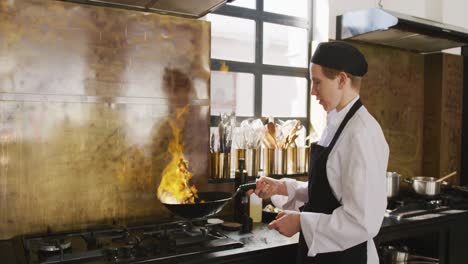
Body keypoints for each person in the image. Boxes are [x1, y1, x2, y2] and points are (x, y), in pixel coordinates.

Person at [250, 41, 389, 264]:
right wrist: (282, 187)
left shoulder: (362, 134)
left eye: (317, 82)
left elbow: (362, 221)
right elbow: (330, 192)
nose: (313, 92)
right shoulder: (336, 122)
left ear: (342, 80)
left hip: (347, 258)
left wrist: (302, 222)